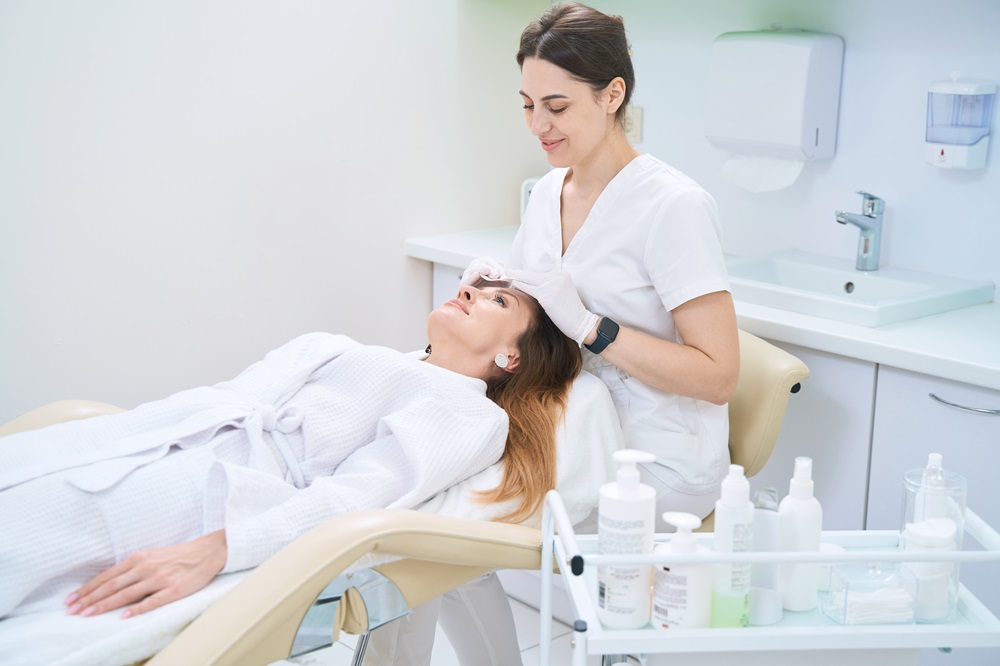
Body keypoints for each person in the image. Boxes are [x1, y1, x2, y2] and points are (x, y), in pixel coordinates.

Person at [367, 3, 740, 663]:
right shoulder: (546, 192)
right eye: (528, 105)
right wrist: (498, 288)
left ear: (613, 93)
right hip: (559, 421)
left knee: (434, 529)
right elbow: (536, 320)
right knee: (429, 518)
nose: (539, 125)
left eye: (558, 107)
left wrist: (593, 328)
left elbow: (718, 376)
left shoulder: (672, 207)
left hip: (650, 456)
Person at [0, 283, 581, 621]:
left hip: (207, 486)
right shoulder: (337, 347)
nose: (470, 290)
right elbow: (230, 398)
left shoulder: (465, 412)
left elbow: (356, 497)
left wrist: (221, 549)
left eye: (496, 301)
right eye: (475, 286)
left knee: (29, 530)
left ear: (511, 358)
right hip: (146, 437)